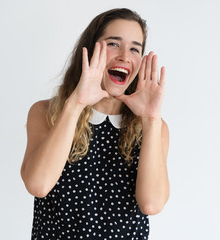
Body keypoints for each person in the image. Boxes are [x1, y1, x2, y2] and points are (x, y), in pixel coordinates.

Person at [21, 8, 170, 240]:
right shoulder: (45, 113)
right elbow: (38, 185)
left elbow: (151, 204)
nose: (124, 56)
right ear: (91, 50)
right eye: (113, 44)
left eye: (134, 48)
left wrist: (151, 121)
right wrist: (76, 103)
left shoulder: (155, 128)